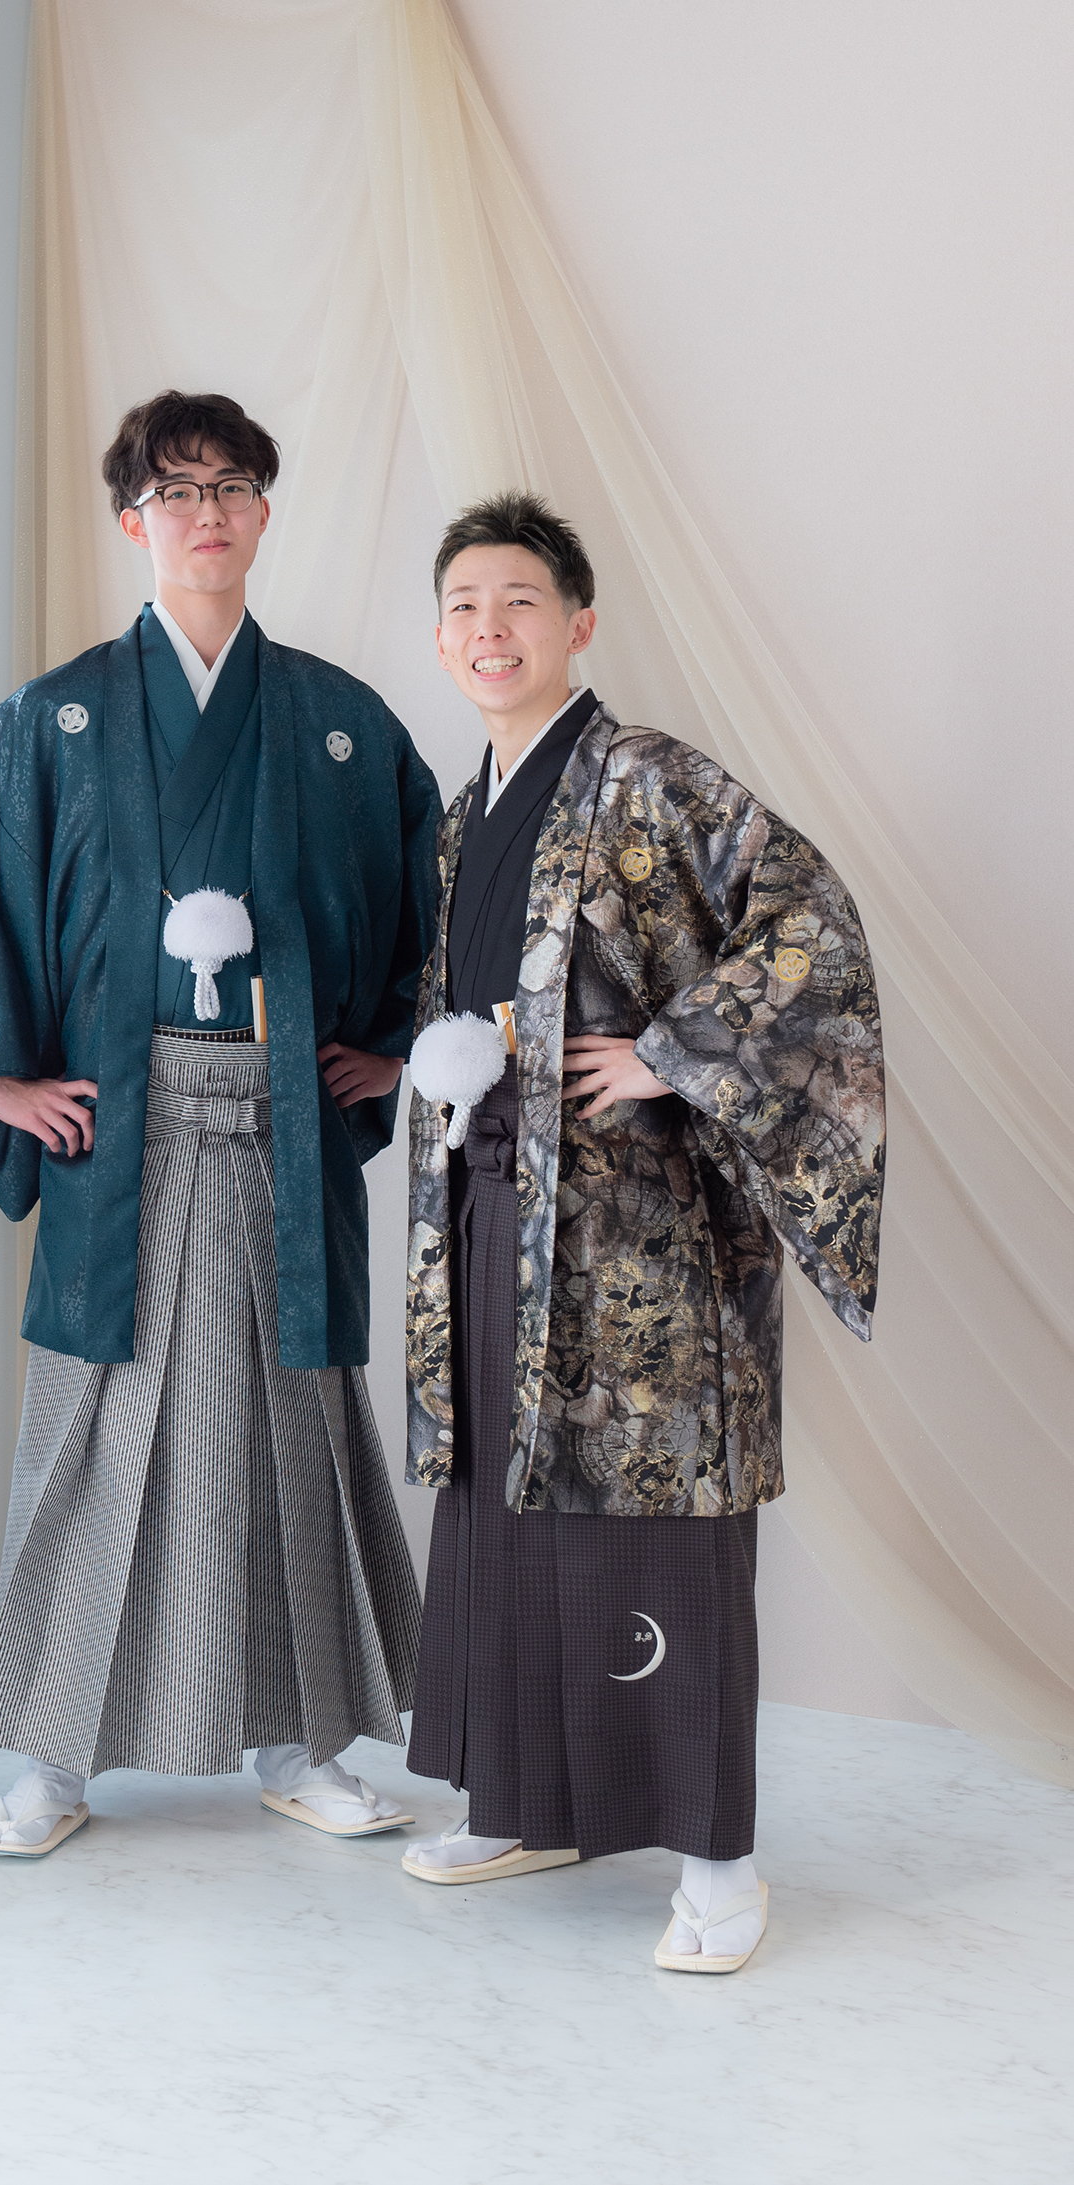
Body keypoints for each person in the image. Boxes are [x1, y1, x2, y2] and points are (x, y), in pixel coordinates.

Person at [0, 390, 442, 1855]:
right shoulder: (53, 720)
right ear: (130, 518)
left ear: (264, 512)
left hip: (280, 1117)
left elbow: (434, 894)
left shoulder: (339, 723)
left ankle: (298, 1740)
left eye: (231, 487)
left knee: (287, 1427)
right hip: (118, 1121)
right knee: (98, 1424)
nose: (205, 514)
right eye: (175, 490)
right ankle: (54, 1759)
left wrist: (394, 1049)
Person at [398, 491, 885, 1970]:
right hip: (494, 1204)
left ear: (581, 622)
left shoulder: (650, 776)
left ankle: (720, 1864)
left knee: (659, 1526)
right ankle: (522, 1802)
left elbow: (812, 924)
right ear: (441, 635)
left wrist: (671, 1053)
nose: (491, 629)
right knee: (504, 1503)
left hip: (641, 1232)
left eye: (521, 602)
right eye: (466, 606)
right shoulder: (466, 808)